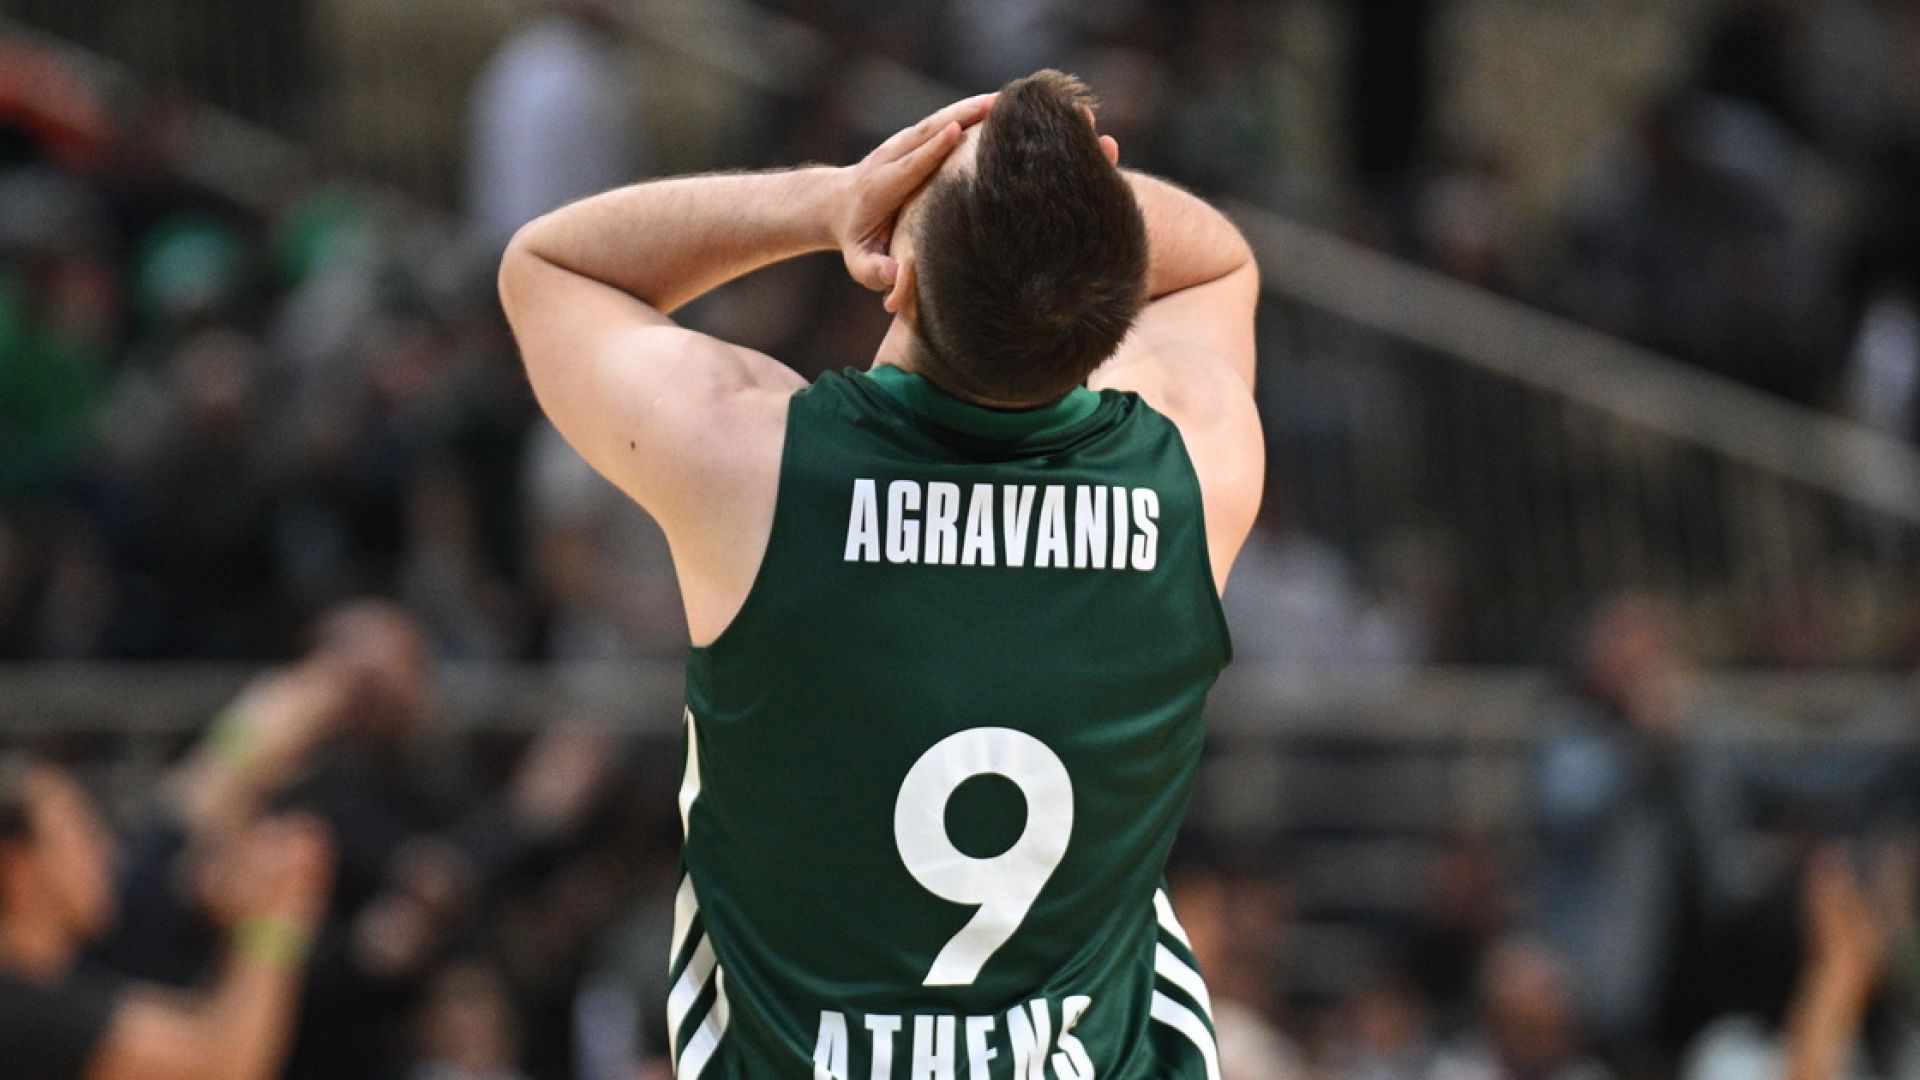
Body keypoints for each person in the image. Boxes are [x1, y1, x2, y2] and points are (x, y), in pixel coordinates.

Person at [500, 69, 1263, 1077]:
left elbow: (548, 265)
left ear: (894, 270)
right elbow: (1217, 263)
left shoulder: (753, 464)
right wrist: (1075, 205)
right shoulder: (1191, 470)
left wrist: (830, 198)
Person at [0, 756, 332, 1080]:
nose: (106, 852)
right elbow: (221, 1068)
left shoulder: (52, 987)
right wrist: (275, 914)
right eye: (80, 836)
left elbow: (197, 1028)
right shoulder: (20, 1011)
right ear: (17, 868)